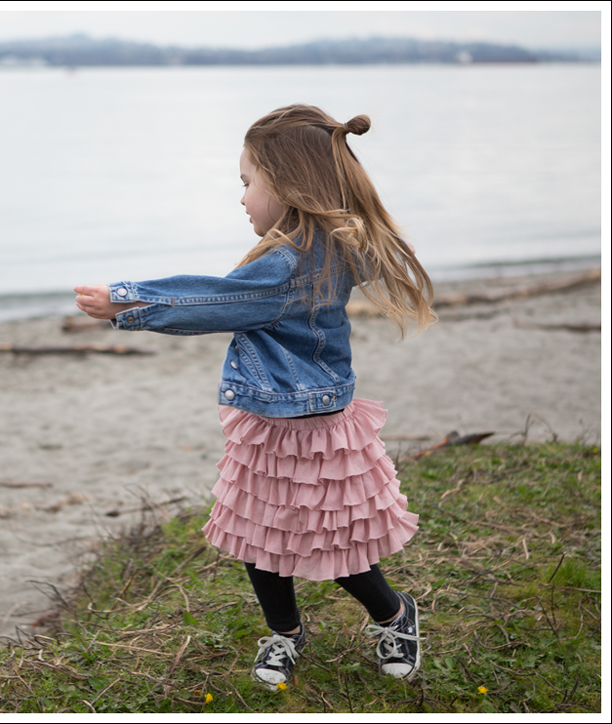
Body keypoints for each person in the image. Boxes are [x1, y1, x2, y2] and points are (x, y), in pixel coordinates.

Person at [74, 104, 435, 690]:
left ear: (288, 184)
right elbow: (230, 294)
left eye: (248, 183)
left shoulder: (290, 264)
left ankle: (394, 615)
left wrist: (127, 300)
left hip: (314, 430)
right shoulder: (326, 243)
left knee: (334, 539)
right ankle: (285, 633)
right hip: (270, 423)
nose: (241, 199)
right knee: (261, 536)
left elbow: (215, 300)